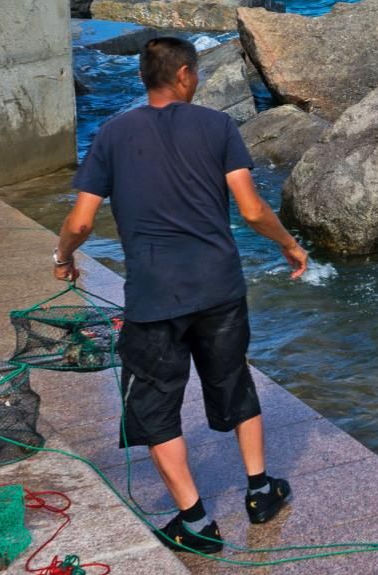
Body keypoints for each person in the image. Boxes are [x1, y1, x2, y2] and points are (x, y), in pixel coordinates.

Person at [52, 35, 310, 554]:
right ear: (187, 74)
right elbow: (253, 209)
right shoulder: (218, 127)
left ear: (145, 78)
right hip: (219, 287)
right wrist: (290, 246)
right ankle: (260, 493)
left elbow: (80, 221)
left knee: (154, 406)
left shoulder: (111, 134)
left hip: (153, 296)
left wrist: (63, 258)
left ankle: (194, 520)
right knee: (234, 382)